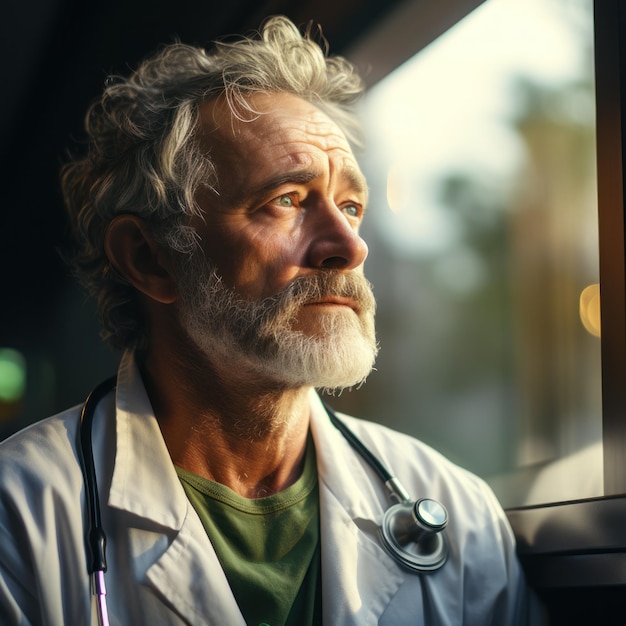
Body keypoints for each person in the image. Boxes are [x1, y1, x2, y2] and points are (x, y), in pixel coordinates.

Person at [0, 16, 545, 626]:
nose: (349, 245)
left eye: (350, 206)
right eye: (286, 199)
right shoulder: (19, 515)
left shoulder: (460, 513)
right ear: (151, 259)